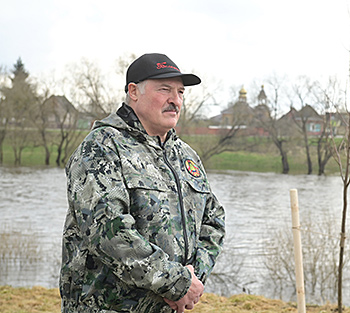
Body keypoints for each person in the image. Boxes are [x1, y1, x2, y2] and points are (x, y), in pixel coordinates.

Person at [59, 53, 226, 313]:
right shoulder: (102, 147)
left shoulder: (185, 156)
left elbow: (213, 220)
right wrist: (178, 284)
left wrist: (194, 280)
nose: (176, 100)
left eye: (180, 92)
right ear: (134, 92)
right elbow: (109, 232)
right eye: (165, 90)